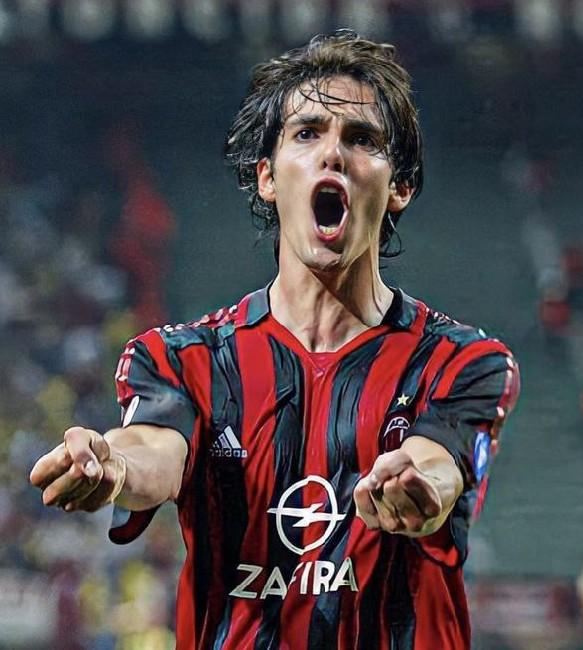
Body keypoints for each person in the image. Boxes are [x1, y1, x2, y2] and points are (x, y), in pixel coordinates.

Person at [30, 30, 520, 650]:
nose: (333, 154)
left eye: (362, 139)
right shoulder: (183, 360)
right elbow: (154, 448)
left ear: (399, 186)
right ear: (267, 176)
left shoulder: (463, 363)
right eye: (307, 133)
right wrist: (114, 467)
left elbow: (438, 465)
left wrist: (420, 489)